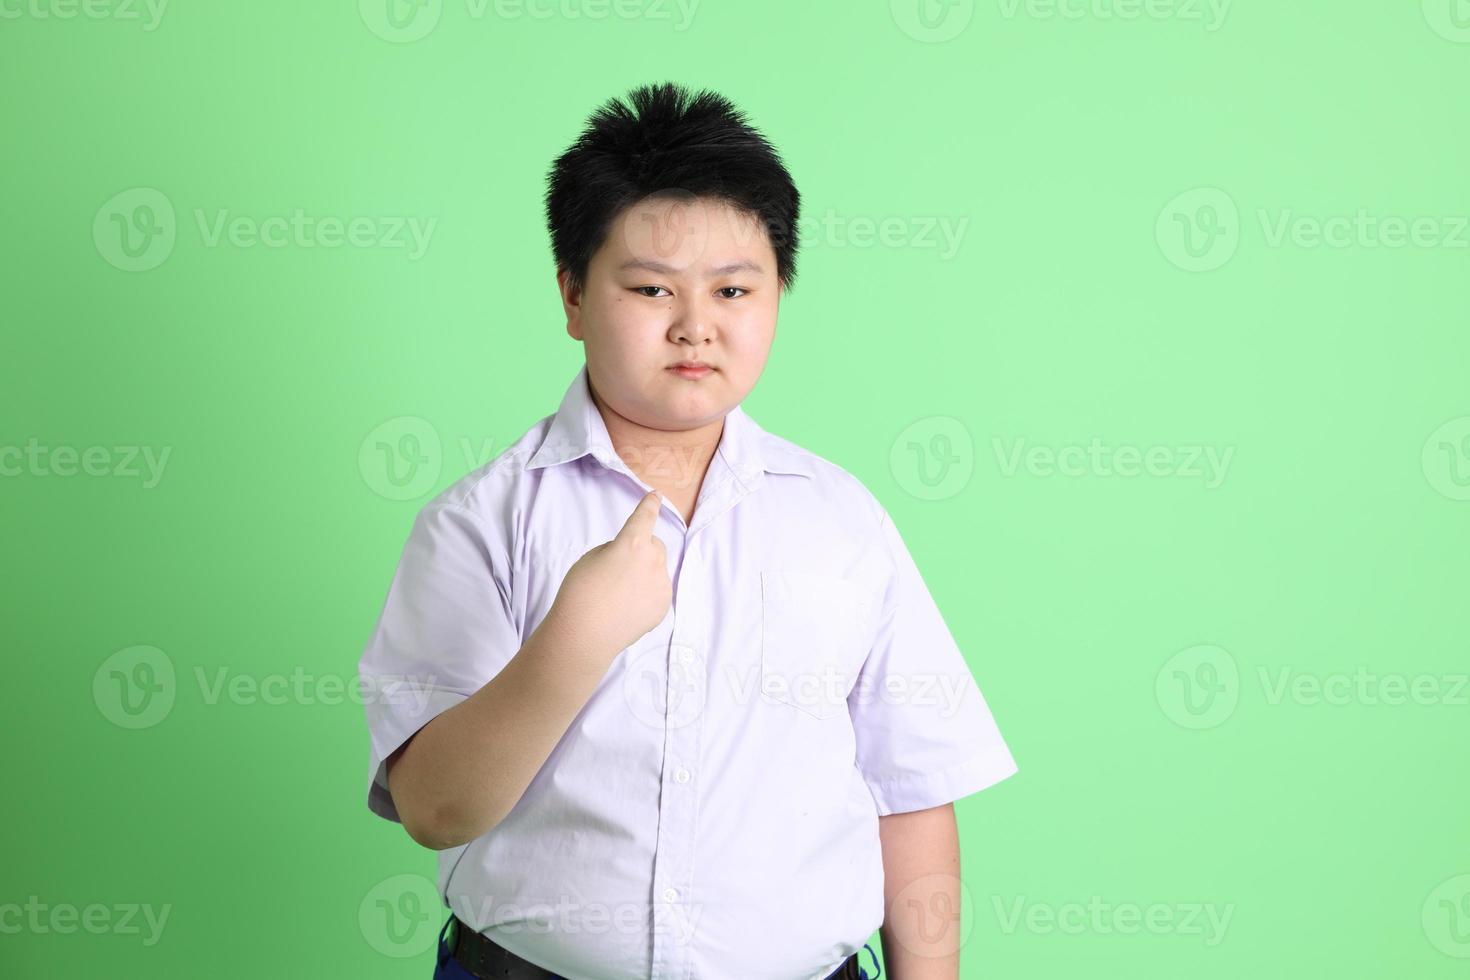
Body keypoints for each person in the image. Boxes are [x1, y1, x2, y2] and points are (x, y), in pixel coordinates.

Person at [357, 80, 1018, 980]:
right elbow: (435, 807)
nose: (695, 326)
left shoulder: (840, 520)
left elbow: (910, 791)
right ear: (574, 298)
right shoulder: (483, 521)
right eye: (652, 288)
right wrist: (576, 634)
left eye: (735, 289)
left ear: (777, 294)